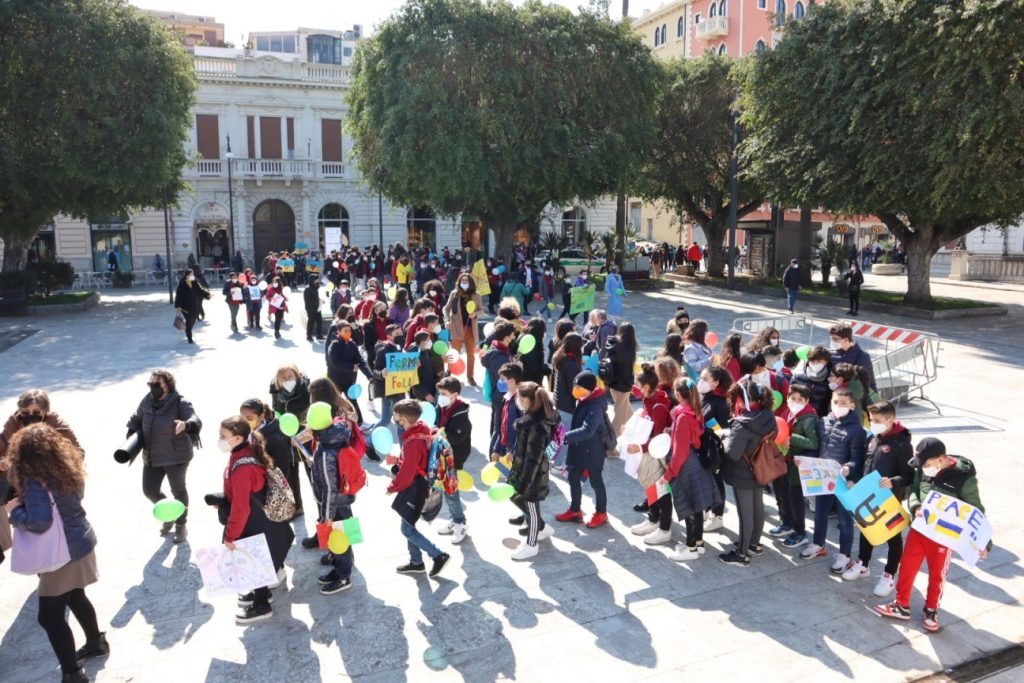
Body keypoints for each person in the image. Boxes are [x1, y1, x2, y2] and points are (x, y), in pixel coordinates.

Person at [5, 425, 106, 683]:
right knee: (75, 596)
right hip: (81, 543)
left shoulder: (34, 481)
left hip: (61, 555)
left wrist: (14, 511)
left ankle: (73, 674)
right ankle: (96, 642)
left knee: (49, 617)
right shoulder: (67, 469)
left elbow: (40, 522)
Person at [874, 438, 990, 633]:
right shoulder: (923, 469)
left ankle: (931, 610)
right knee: (907, 567)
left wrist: (985, 542)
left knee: (937, 574)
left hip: (943, 537)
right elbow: (914, 491)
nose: (924, 468)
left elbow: (976, 512)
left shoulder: (964, 478)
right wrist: (916, 506)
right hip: (919, 530)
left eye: (927, 464)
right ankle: (901, 605)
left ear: (941, 459)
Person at [211, 416, 295, 623]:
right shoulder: (246, 452)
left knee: (255, 557)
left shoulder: (242, 467)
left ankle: (261, 605)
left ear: (238, 438)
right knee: (259, 558)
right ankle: (262, 593)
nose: (219, 439)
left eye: (223, 436)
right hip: (258, 517)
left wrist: (230, 536)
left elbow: (240, 508)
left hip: (252, 519)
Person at [842, 401, 914, 595]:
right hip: (869, 495)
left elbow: (909, 475)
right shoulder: (873, 438)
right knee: (867, 529)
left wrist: (893, 481)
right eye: (871, 419)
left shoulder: (902, 444)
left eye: (877, 420)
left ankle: (889, 575)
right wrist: (853, 476)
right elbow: (866, 463)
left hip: (889, 498)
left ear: (890, 420)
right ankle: (863, 564)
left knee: (893, 537)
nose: (873, 423)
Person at [126, 370, 201, 544]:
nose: (152, 387)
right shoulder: (147, 400)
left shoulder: (180, 402)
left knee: (179, 491)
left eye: (156, 384)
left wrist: (186, 424)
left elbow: (195, 419)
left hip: (176, 456)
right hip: (152, 455)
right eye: (150, 384)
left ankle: (181, 525)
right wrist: (131, 430)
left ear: (167, 386)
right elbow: (137, 417)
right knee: (149, 490)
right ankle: (169, 512)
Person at [800, 388, 867, 572]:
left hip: (843, 481)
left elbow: (857, 458)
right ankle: (818, 544)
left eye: (843, 403)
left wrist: (848, 468)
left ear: (852, 405)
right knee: (820, 512)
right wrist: (806, 461)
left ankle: (845, 555)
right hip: (823, 476)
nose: (839, 406)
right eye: (836, 402)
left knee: (845, 519)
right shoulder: (823, 422)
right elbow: (818, 447)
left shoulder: (857, 430)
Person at [387, 400, 451, 578]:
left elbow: (408, 472)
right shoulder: (421, 431)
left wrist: (393, 486)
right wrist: (398, 461)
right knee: (409, 521)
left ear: (404, 420)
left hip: (414, 488)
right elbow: (412, 463)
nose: (396, 421)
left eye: (398, 418)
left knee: (406, 529)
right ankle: (416, 561)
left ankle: (438, 555)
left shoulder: (412, 441)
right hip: (417, 484)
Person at [719, 377, 778, 567]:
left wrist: (725, 439)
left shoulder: (741, 423)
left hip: (743, 472)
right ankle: (754, 544)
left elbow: (733, 454)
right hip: (761, 468)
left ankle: (741, 554)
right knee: (757, 508)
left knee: (745, 514)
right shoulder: (768, 416)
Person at [664, 378, 720, 561]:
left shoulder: (681, 417)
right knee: (698, 504)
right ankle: (698, 543)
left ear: (679, 395)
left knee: (689, 506)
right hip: (697, 462)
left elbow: (679, 452)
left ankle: (690, 548)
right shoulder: (694, 411)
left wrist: (668, 474)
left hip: (686, 465)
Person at [308, 405, 359, 596]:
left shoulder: (326, 450)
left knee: (338, 539)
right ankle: (341, 569)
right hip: (343, 499)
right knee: (343, 536)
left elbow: (330, 487)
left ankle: (344, 577)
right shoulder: (335, 436)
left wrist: (326, 516)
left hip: (334, 502)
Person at [507, 381, 558, 560]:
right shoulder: (532, 417)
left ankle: (531, 544)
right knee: (514, 496)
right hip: (524, 469)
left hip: (532, 475)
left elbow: (534, 458)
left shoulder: (536, 425)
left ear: (529, 400)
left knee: (531, 507)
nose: (518, 400)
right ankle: (542, 528)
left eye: (520, 397)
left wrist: (524, 482)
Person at [555, 372, 612, 529]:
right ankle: (575, 510)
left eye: (578, 386)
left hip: (593, 452)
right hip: (580, 448)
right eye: (574, 385)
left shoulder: (595, 406)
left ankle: (601, 513)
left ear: (588, 388)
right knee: (573, 477)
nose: (575, 389)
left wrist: (564, 438)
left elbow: (587, 430)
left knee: (596, 481)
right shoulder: (585, 400)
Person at [627, 364, 675, 544]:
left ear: (646, 387)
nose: (636, 390)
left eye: (638, 386)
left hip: (656, 454)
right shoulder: (650, 401)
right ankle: (653, 518)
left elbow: (659, 437)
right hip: (649, 453)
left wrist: (640, 448)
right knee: (651, 488)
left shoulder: (658, 406)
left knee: (661, 491)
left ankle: (665, 528)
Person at [770, 384, 819, 548]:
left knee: (796, 500)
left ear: (807, 401)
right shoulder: (786, 412)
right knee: (782, 495)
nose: (795, 402)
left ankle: (800, 532)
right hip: (782, 461)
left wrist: (793, 438)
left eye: (800, 399)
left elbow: (814, 443)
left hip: (797, 466)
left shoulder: (809, 418)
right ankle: (786, 523)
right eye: (792, 398)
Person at [238, 399, 296, 515]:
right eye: (243, 418)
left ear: (261, 416)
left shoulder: (274, 438)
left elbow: (282, 470)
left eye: (249, 418)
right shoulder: (244, 433)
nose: (245, 422)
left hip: (268, 490)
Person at [436, 377, 472, 544]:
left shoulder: (461, 415)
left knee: (451, 491)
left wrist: (439, 433)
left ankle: (460, 522)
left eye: (443, 393)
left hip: (454, 457)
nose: (440, 397)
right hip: (443, 455)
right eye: (439, 393)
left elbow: (456, 439)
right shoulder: (442, 407)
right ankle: (454, 518)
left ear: (454, 395)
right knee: (446, 489)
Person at [698, 366, 732, 532]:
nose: (701, 381)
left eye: (705, 379)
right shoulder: (707, 397)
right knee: (707, 480)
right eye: (701, 378)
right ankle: (708, 508)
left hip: (715, 447)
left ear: (716, 382)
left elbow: (723, 429)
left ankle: (717, 515)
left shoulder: (721, 402)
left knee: (716, 482)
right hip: (704, 445)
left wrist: (709, 427)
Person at [326, 322, 373, 426]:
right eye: (345, 331)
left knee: (352, 401)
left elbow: (360, 360)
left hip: (349, 380)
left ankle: (359, 423)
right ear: (339, 332)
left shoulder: (352, 344)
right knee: (334, 403)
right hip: (335, 381)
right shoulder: (335, 344)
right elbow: (334, 362)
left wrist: (369, 375)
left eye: (350, 330)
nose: (348, 333)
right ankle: (333, 424)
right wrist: (351, 367)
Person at [551, 331, 584, 464]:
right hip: (566, 404)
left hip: (559, 401)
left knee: (558, 435)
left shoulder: (560, 357)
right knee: (563, 436)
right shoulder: (571, 364)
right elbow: (573, 389)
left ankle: (548, 458)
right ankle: (557, 465)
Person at [482, 320, 516, 438]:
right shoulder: (499, 357)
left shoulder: (500, 348)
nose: (514, 336)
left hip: (499, 394)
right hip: (501, 395)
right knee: (498, 428)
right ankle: (494, 452)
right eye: (512, 334)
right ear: (506, 337)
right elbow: (503, 380)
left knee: (496, 421)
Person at [604, 323, 637, 436]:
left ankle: (635, 429)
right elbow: (627, 370)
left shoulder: (612, 345)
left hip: (612, 382)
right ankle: (610, 440)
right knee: (620, 416)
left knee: (626, 409)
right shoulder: (627, 349)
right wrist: (631, 383)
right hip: (623, 385)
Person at [372, 324, 404, 439]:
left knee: (402, 421)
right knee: (385, 420)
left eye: (401, 333)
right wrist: (381, 374)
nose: (401, 336)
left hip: (400, 389)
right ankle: (370, 441)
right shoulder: (383, 351)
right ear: (389, 336)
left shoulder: (399, 348)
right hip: (389, 392)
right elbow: (375, 371)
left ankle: (403, 446)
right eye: (397, 334)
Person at [490, 363, 524, 463]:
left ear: (512, 381)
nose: (500, 382)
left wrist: (513, 451)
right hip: (506, 449)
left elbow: (523, 431)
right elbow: (502, 427)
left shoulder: (521, 401)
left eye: (503, 379)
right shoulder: (506, 398)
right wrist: (497, 449)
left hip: (516, 451)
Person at [829, 323, 876, 391]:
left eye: (835, 339)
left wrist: (876, 400)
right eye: (832, 338)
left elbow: (870, 382)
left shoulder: (863, 357)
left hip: (854, 398)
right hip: (834, 397)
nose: (833, 341)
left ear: (846, 339)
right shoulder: (830, 354)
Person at [793, 346, 833, 417]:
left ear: (826, 362)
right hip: (798, 414)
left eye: (819, 361)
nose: (815, 363)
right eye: (812, 361)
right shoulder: (798, 376)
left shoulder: (830, 380)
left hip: (819, 416)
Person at [174, 270, 202, 344]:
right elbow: (178, 296)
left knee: (192, 321)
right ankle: (189, 336)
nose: (192, 275)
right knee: (189, 320)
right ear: (187, 276)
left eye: (193, 274)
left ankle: (188, 329)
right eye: (191, 274)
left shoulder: (195, 283)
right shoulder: (182, 285)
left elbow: (200, 291)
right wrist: (178, 306)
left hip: (195, 305)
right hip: (185, 307)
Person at [304, 275, 325, 342]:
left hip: (317, 307)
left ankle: (319, 335)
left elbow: (316, 296)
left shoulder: (315, 287)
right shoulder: (308, 289)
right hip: (310, 308)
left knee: (319, 321)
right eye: (316, 279)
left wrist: (320, 300)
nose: (318, 281)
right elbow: (308, 299)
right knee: (311, 321)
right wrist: (318, 300)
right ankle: (308, 335)